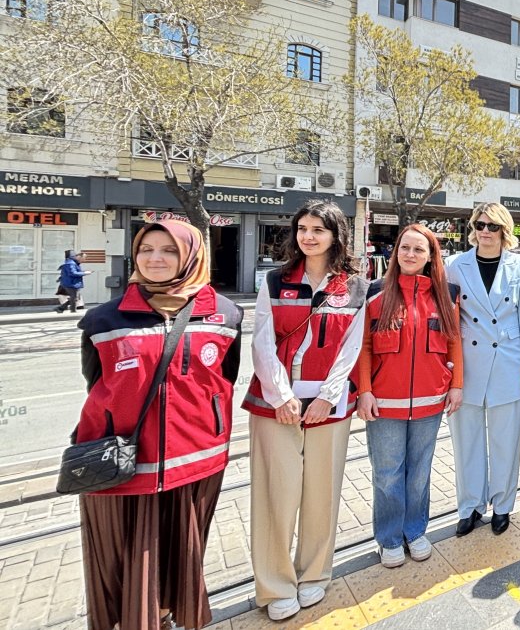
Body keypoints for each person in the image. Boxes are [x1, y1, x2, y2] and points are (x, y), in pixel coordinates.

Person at [75, 219, 243, 630]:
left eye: (169, 251)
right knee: (120, 555)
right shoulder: (103, 320)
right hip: (121, 465)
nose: (156, 258)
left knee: (180, 551)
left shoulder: (225, 314)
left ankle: (167, 614)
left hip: (196, 462)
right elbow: (96, 383)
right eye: (147, 249)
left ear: (189, 256)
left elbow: (225, 379)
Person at [243, 200, 370, 622]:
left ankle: (315, 572)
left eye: (318, 229)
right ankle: (275, 583)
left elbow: (351, 347)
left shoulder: (353, 286)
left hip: (328, 407)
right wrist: (281, 396)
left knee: (322, 491)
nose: (308, 236)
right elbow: (262, 340)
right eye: (302, 228)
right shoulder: (275, 281)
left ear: (336, 236)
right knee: (275, 494)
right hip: (274, 407)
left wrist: (326, 396)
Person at [355, 224, 463, 568]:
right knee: (387, 473)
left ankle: (415, 531)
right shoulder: (374, 293)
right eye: (405, 248)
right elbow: (364, 347)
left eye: (419, 249)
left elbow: (455, 343)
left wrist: (456, 384)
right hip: (385, 403)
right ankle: (388, 537)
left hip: (431, 402)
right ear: (395, 252)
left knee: (419, 473)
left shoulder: (448, 294)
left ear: (431, 256)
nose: (411, 255)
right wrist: (365, 391)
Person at [446, 202, 520, 537]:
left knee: (505, 439)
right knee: (466, 440)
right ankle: (469, 506)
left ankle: (502, 505)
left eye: (492, 226)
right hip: (467, 364)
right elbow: (447, 317)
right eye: (480, 225)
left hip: (509, 360)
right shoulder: (454, 265)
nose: (485, 231)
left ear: (505, 230)